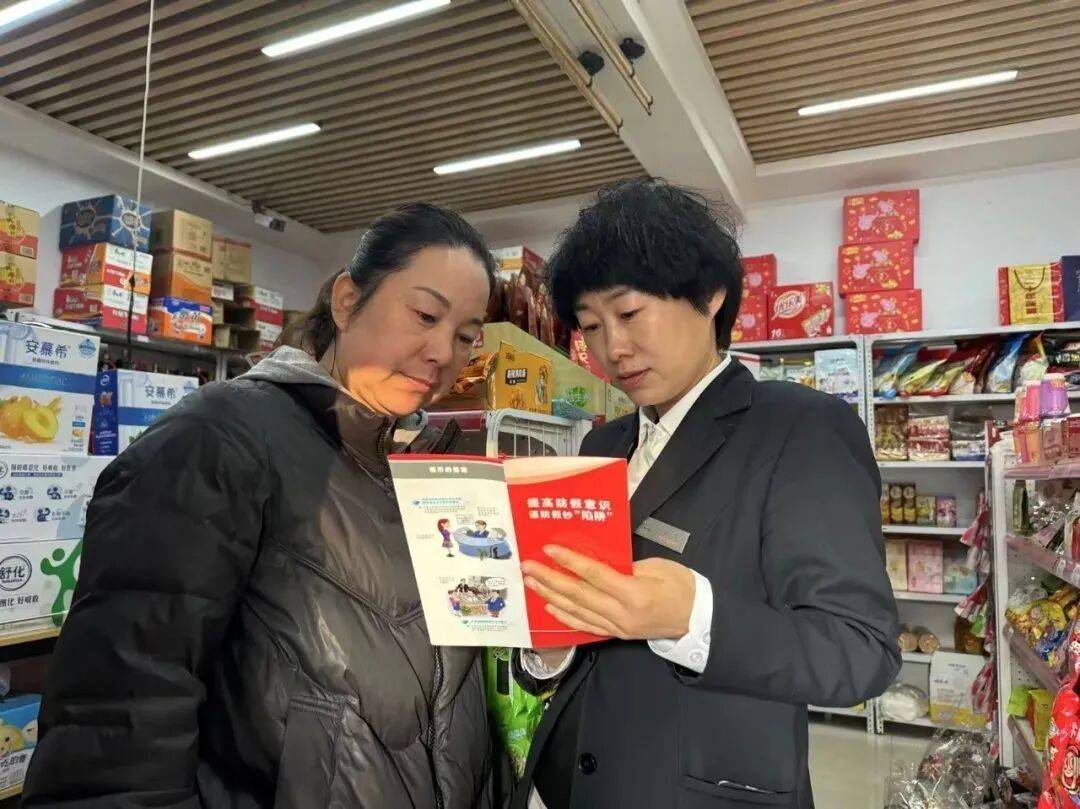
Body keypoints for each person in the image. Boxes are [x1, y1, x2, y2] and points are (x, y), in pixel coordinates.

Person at [23, 203, 509, 809]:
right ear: (347, 300)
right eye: (425, 315)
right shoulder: (219, 439)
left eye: (465, 336)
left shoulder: (426, 471)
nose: (441, 352)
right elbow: (115, 720)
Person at [512, 179, 900, 809]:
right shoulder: (602, 444)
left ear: (711, 293)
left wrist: (693, 615)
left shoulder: (800, 429)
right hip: (576, 783)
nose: (614, 348)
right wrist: (548, 645)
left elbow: (859, 651)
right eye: (591, 326)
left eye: (629, 314)